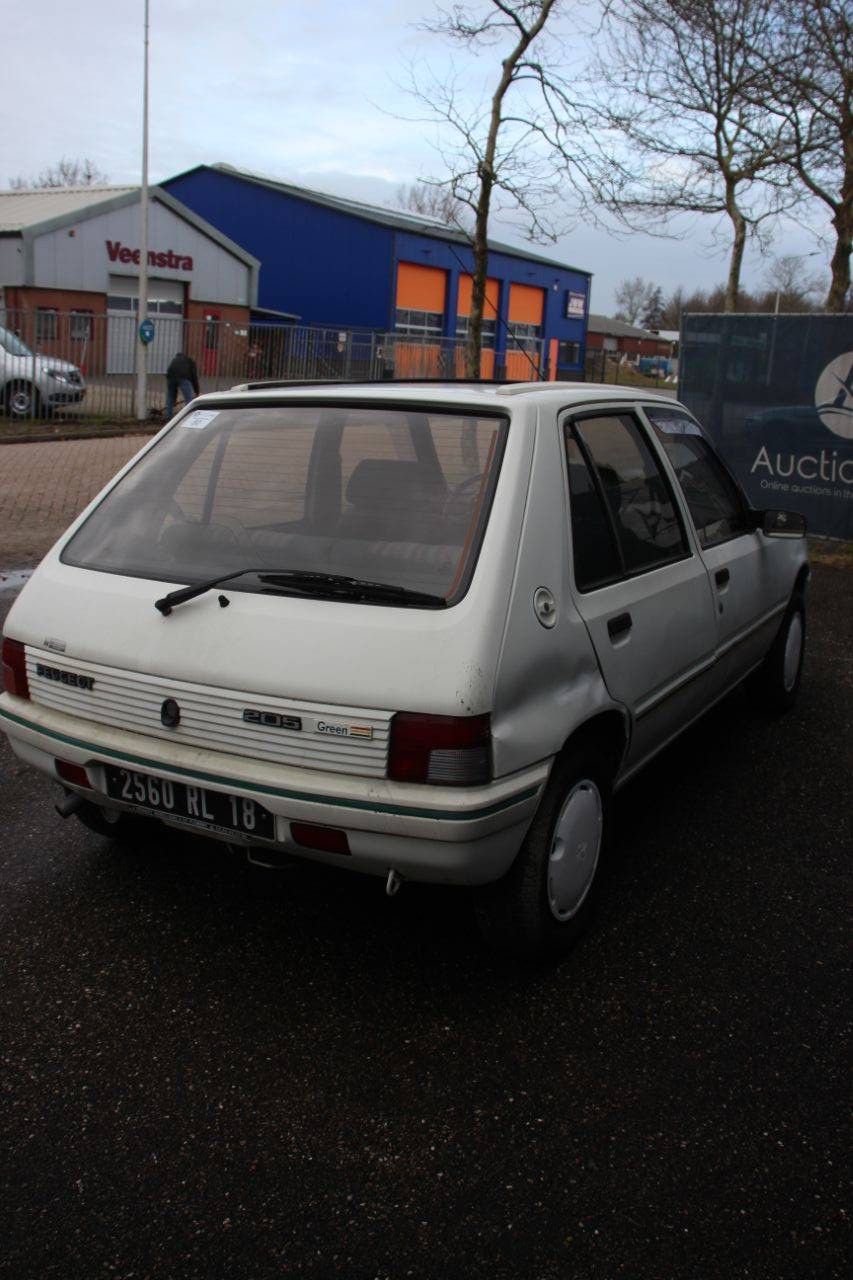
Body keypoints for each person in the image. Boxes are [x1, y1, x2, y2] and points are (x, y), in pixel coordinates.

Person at [165, 351, 200, 417]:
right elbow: (194, 377)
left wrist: (174, 399)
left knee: (170, 397)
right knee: (188, 398)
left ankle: (168, 416)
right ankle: (188, 416)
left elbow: (169, 372)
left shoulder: (174, 360)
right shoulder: (190, 361)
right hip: (184, 378)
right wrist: (197, 391)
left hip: (171, 377)